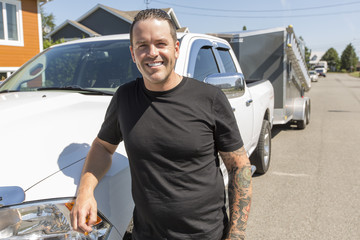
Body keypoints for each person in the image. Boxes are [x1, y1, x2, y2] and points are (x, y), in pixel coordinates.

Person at [70, 8, 252, 240]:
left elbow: (239, 167)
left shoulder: (210, 99)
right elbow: (103, 147)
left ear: (175, 49)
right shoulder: (125, 98)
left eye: (160, 44)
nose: (152, 53)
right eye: (142, 45)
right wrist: (85, 191)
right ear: (133, 53)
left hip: (205, 235)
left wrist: (236, 235)